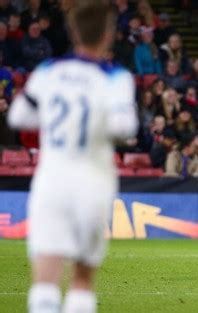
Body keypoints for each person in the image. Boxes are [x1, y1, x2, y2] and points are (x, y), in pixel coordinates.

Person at [7, 2, 138, 313]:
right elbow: (125, 127)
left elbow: (18, 117)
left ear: (71, 31)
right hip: (93, 181)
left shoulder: (48, 71)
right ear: (109, 34)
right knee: (82, 277)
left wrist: (53, 119)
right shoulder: (116, 77)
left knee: (45, 276)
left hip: (51, 181)